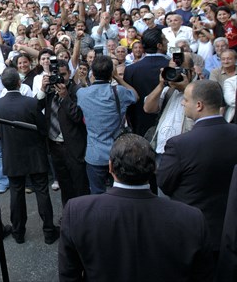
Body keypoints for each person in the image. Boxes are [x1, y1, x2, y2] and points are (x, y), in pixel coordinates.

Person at [59, 134, 214, 282]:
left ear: (111, 167)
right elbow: (202, 276)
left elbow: (69, 275)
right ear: (154, 169)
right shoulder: (192, 219)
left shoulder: (77, 212)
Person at [158, 80, 237, 260]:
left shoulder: (180, 144)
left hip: (193, 232)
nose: (182, 103)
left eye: (186, 99)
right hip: (230, 230)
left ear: (199, 105)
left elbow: (164, 183)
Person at [0, 68, 59, 245]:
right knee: (42, 191)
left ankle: (18, 232)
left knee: (16, 193)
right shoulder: (30, 103)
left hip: (12, 154)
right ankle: (49, 232)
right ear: (19, 83)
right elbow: (43, 127)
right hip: (34, 153)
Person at [76, 55, 138, 194]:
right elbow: (135, 95)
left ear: (92, 72)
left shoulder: (82, 94)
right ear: (111, 73)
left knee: (97, 193)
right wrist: (118, 78)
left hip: (95, 153)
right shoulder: (119, 92)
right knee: (121, 192)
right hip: (118, 151)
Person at [39, 60, 89, 207]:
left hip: (73, 146)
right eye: (57, 75)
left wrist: (65, 97)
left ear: (70, 73)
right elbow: (36, 108)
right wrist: (42, 88)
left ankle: (84, 215)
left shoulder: (77, 91)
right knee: (65, 185)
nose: (60, 78)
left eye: (63, 75)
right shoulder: (48, 91)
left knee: (80, 184)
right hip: (54, 146)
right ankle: (69, 214)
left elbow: (77, 117)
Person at [123, 29, 170, 136]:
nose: (167, 41)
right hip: (168, 125)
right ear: (159, 45)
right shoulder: (171, 68)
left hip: (140, 126)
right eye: (164, 39)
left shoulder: (131, 70)